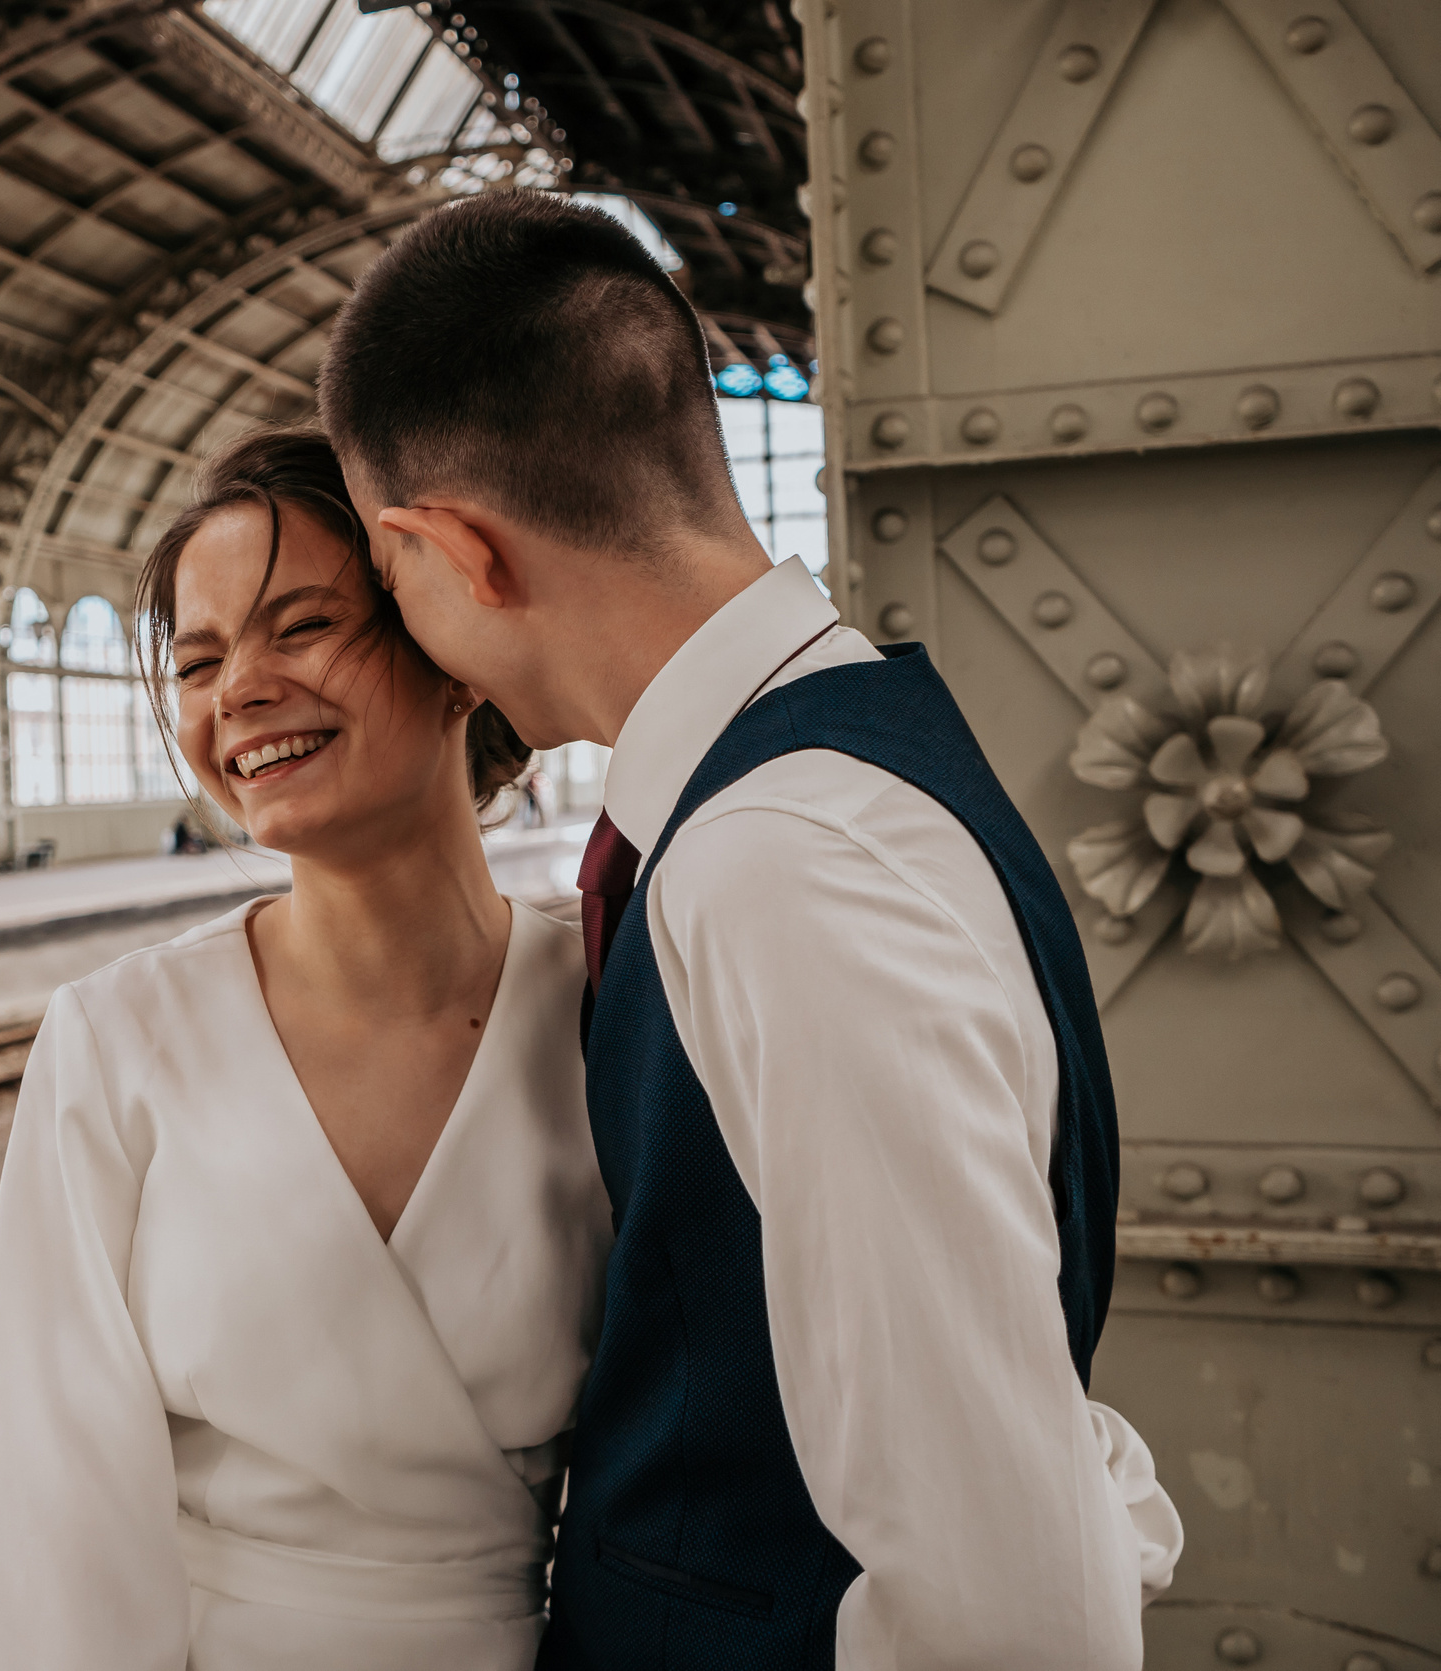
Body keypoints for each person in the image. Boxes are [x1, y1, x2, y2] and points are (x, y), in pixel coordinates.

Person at [317, 191, 1183, 1669]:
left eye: (384, 578)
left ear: (453, 547)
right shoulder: (841, 768)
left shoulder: (776, 865)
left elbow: (1003, 1586)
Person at [0, 428, 607, 1669]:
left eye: (299, 627)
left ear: (453, 651)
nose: (236, 690)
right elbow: (47, 1517)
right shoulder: (120, 1039)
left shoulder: (609, 1000)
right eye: (196, 661)